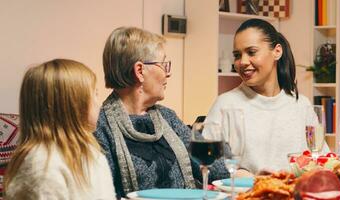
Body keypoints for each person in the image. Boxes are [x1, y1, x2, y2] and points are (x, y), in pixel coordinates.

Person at [95, 26, 229, 198]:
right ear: (140, 71)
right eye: (163, 65)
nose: (169, 73)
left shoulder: (167, 117)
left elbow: (214, 168)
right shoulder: (101, 127)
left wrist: (254, 177)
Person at [205, 19, 329, 176]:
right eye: (237, 55)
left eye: (251, 52)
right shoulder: (225, 104)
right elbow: (206, 165)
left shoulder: (302, 105)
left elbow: (322, 160)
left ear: (277, 51)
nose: (242, 62)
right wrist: (250, 178)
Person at [4, 59, 116, 199]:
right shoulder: (43, 164)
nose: (99, 104)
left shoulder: (92, 153)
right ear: (73, 105)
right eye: (95, 94)